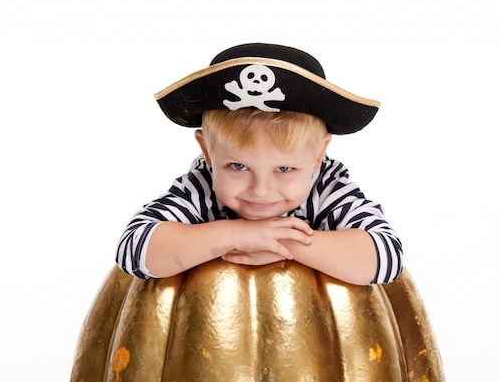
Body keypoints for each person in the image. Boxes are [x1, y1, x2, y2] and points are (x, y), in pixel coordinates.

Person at [116, 43, 402, 285]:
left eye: (285, 169)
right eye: (238, 167)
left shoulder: (326, 187)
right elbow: (134, 248)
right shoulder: (202, 186)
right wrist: (237, 234)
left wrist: (282, 242)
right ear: (207, 152)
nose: (261, 191)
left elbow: (386, 256)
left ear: (318, 156)